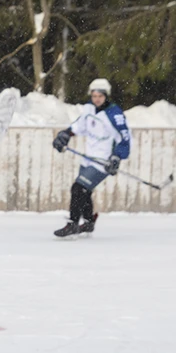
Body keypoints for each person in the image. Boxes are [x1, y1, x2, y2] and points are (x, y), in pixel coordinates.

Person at [52, 78, 131, 237]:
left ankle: (72, 223)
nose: (96, 99)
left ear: (106, 96)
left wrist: (117, 157)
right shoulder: (89, 108)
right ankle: (88, 222)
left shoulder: (114, 114)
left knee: (78, 188)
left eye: (100, 96)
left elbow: (125, 138)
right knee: (85, 191)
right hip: (88, 158)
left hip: (103, 162)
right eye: (94, 96)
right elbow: (79, 126)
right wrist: (65, 134)